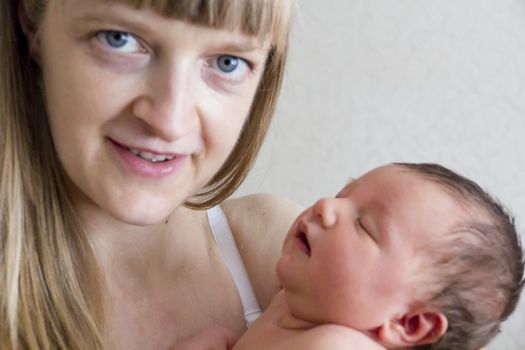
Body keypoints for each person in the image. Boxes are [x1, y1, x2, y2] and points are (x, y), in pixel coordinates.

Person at [0, 1, 303, 349]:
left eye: (226, 63)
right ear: (32, 25)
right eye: (119, 39)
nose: (169, 120)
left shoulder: (288, 255)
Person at [230, 163, 525, 350]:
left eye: (364, 226)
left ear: (407, 323)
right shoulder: (291, 305)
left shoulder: (335, 345)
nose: (326, 206)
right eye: (342, 195)